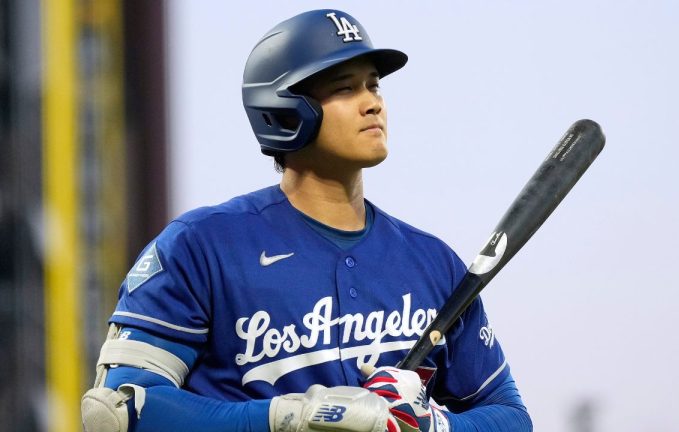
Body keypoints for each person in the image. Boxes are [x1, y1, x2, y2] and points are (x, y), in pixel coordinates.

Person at [81, 9, 532, 432]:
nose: (372, 103)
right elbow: (119, 407)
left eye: (374, 85)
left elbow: (510, 415)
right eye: (344, 88)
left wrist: (432, 425)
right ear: (284, 108)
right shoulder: (201, 246)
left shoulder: (432, 262)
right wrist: (295, 416)